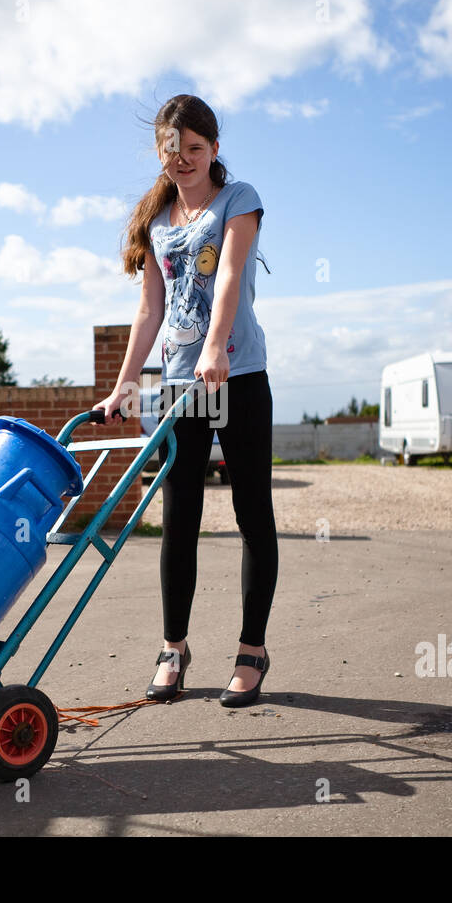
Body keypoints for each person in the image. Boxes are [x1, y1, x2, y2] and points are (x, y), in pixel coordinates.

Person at [92, 94, 277, 708]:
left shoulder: (238, 199)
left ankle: (251, 653)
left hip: (236, 374)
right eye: (174, 151)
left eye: (196, 149)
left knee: (252, 513)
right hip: (179, 385)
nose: (184, 160)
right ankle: (174, 648)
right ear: (161, 152)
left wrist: (217, 346)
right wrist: (124, 382)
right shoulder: (157, 220)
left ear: (214, 149)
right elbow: (150, 307)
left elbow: (228, 274)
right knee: (181, 520)